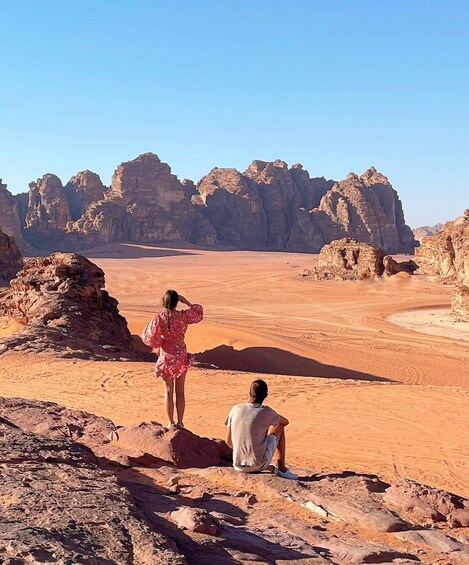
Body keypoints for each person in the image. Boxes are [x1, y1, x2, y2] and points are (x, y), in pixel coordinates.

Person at [142, 290, 203, 429]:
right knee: (180, 391)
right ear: (177, 302)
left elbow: (150, 337)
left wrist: (161, 342)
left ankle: (170, 423)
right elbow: (198, 313)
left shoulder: (159, 318)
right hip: (181, 355)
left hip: (167, 356)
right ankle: (180, 422)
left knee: (168, 391)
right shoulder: (183, 316)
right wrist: (186, 302)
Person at [225, 379, 298, 479]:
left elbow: (228, 441)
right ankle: (282, 469)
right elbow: (285, 422)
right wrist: (271, 417)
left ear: (249, 393)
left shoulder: (235, 409)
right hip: (258, 465)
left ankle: (268, 467)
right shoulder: (266, 411)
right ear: (266, 395)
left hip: (237, 466)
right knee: (279, 426)